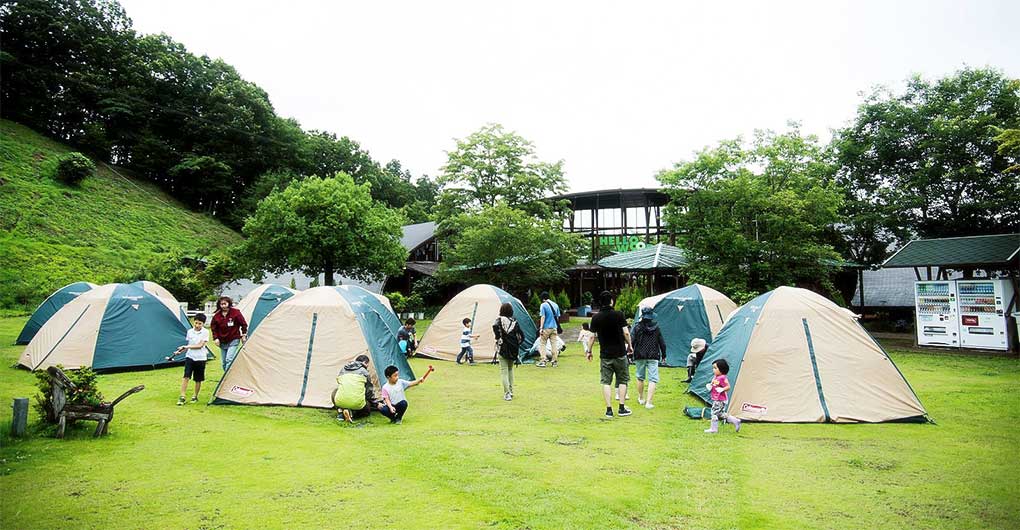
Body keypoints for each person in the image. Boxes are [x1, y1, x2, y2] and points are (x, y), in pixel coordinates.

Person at [588, 291, 633, 418]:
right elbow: (626, 333)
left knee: (606, 382)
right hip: (620, 353)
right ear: (612, 301)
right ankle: (622, 408)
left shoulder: (596, 317)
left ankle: (609, 410)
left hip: (605, 355)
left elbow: (592, 337)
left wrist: (589, 351)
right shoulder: (619, 315)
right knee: (623, 380)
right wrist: (629, 345)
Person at [631, 306, 666, 409]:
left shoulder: (637, 327)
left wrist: (630, 352)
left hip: (639, 355)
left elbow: (632, 341)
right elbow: (662, 343)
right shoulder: (657, 328)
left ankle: (641, 398)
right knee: (653, 379)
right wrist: (664, 355)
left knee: (640, 377)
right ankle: (649, 402)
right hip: (653, 355)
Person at [171, 313, 210, 406]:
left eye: (199, 323)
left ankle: (195, 396)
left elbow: (200, 345)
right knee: (186, 376)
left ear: (203, 324)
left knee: (198, 379)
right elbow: (189, 344)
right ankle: (182, 396)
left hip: (201, 358)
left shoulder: (205, 332)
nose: (197, 325)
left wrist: (186, 346)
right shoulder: (190, 332)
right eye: (196, 323)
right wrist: (180, 351)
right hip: (190, 357)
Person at [492, 302, 525, 401]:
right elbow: (522, 336)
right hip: (513, 349)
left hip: (503, 349)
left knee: (504, 371)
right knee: (510, 370)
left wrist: (498, 337)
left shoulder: (499, 320)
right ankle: (511, 391)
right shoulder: (514, 321)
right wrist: (518, 344)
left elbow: (494, 326)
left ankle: (507, 393)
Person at [333, 355, 376, 423]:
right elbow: (369, 391)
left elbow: (340, 384)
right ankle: (352, 414)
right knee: (367, 409)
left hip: (340, 401)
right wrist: (375, 403)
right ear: (365, 362)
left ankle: (340, 412)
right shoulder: (365, 372)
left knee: (335, 392)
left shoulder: (343, 369)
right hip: (357, 404)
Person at [210, 296, 248, 372]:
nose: (223, 305)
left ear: (229, 303)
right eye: (221, 304)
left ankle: (227, 379)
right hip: (222, 340)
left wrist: (243, 334)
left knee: (229, 359)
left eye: (225, 303)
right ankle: (227, 377)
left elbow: (243, 324)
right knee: (224, 362)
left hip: (234, 338)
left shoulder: (236, 312)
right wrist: (216, 338)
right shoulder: (217, 316)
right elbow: (213, 328)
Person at [705, 359, 741, 434]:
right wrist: (710, 386)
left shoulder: (723, 378)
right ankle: (735, 421)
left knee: (714, 413)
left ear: (721, 369)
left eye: (715, 368)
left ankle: (713, 429)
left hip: (720, 400)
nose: (713, 370)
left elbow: (728, 387)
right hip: (716, 398)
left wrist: (722, 389)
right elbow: (713, 384)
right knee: (720, 414)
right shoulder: (715, 377)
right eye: (713, 368)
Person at [536, 291, 561, 367]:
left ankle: (543, 361)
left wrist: (541, 328)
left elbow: (543, 317)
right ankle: (554, 361)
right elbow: (557, 317)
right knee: (554, 344)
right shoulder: (555, 305)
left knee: (542, 343)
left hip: (546, 328)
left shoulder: (543, 305)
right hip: (554, 328)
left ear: (543, 298)